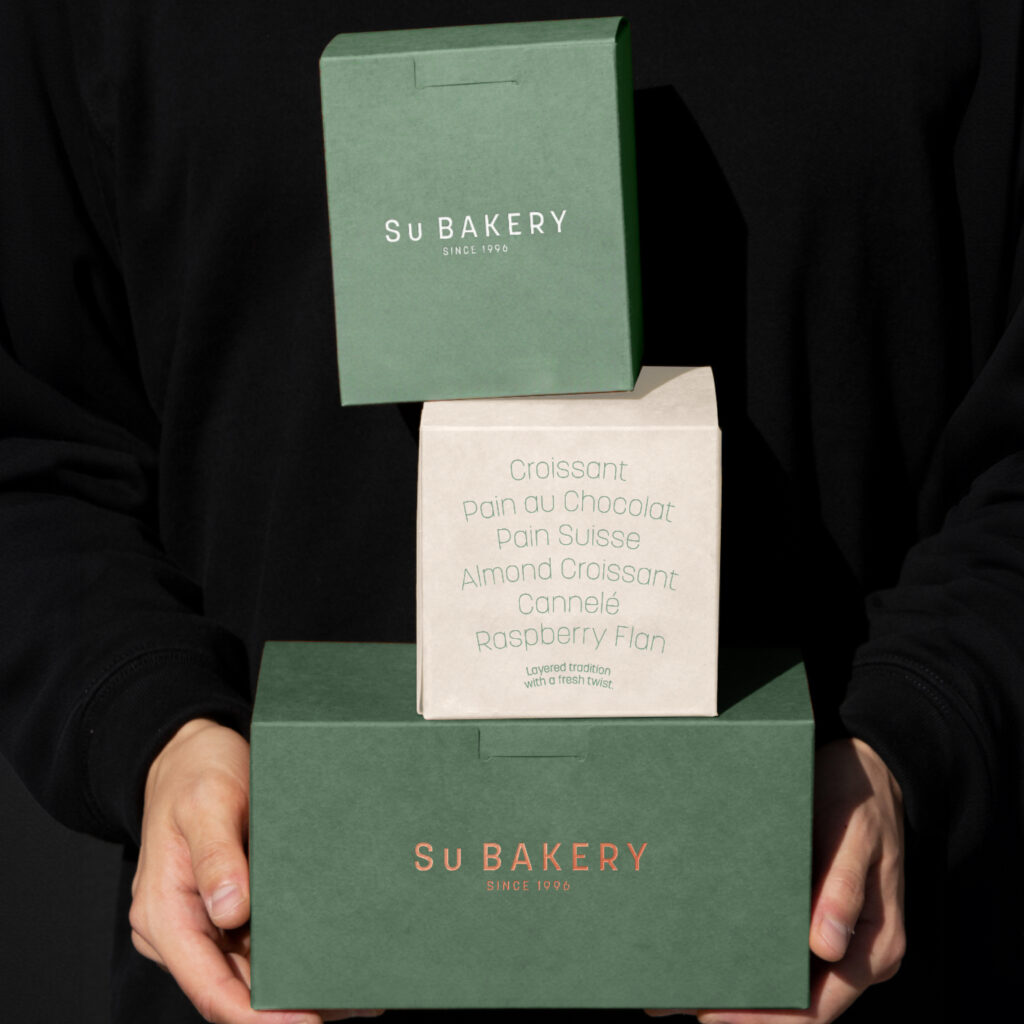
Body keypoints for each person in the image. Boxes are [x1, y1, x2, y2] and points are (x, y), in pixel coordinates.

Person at [1, 2, 1020, 1022]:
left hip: (817, 956)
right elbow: (37, 449)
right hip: (277, 964)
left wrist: (916, 735)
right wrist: (151, 727)